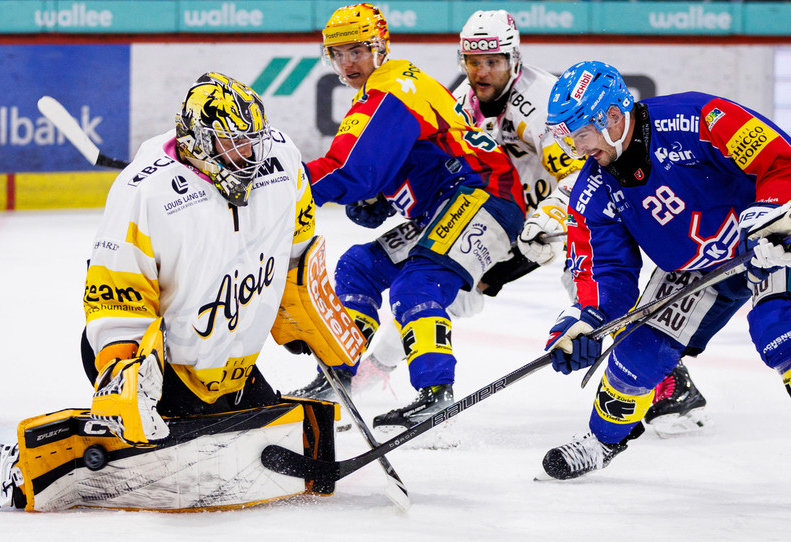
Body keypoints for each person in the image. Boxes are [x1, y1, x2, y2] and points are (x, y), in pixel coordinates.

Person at [313, 8, 711, 439]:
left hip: (557, 218)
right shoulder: (463, 97)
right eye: (474, 61)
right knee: (446, 290)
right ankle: (372, 372)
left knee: (590, 291)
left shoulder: (540, 102)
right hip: (496, 216)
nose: (483, 72)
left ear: (514, 59)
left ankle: (670, 381)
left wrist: (551, 218)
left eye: (494, 62)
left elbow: (582, 175)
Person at [0, 72, 362, 511]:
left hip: (228, 362)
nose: (250, 157)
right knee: (172, 442)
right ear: (200, 143)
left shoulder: (280, 161)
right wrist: (124, 371)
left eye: (253, 142)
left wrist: (306, 311)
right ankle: (31, 464)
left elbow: (297, 252)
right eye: (234, 144)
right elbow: (116, 291)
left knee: (267, 430)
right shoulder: (143, 193)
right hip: (157, 364)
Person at [540, 60, 791, 480]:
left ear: (613, 117)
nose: (577, 151)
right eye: (568, 141)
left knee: (779, 332)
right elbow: (608, 273)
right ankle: (603, 441)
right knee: (634, 358)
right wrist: (585, 322)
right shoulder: (592, 193)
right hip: (694, 270)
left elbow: (782, 161)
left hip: (767, 239)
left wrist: (773, 214)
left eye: (580, 136)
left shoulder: (700, 118)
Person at [289, 3, 527, 433]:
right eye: (337, 54)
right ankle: (341, 370)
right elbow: (392, 173)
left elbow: (351, 171)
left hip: (483, 196)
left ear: (381, 47)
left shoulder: (390, 88)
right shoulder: (386, 90)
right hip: (447, 204)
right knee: (358, 267)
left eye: (357, 50)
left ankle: (436, 396)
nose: (347, 63)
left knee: (417, 282)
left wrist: (283, 183)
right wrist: (375, 201)